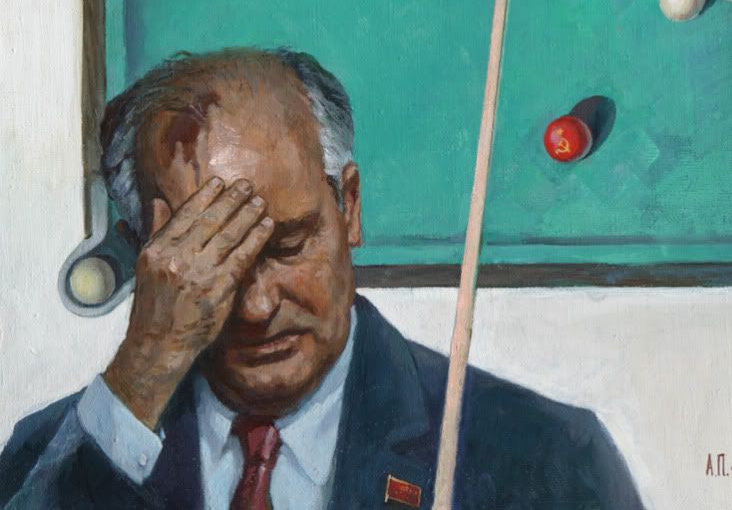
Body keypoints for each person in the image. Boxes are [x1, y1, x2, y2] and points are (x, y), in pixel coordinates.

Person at [0, 47, 646, 510]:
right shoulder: (49, 458)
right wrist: (143, 370)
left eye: (288, 245)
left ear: (350, 206)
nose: (257, 306)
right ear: (147, 256)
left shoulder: (547, 459)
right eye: (208, 264)